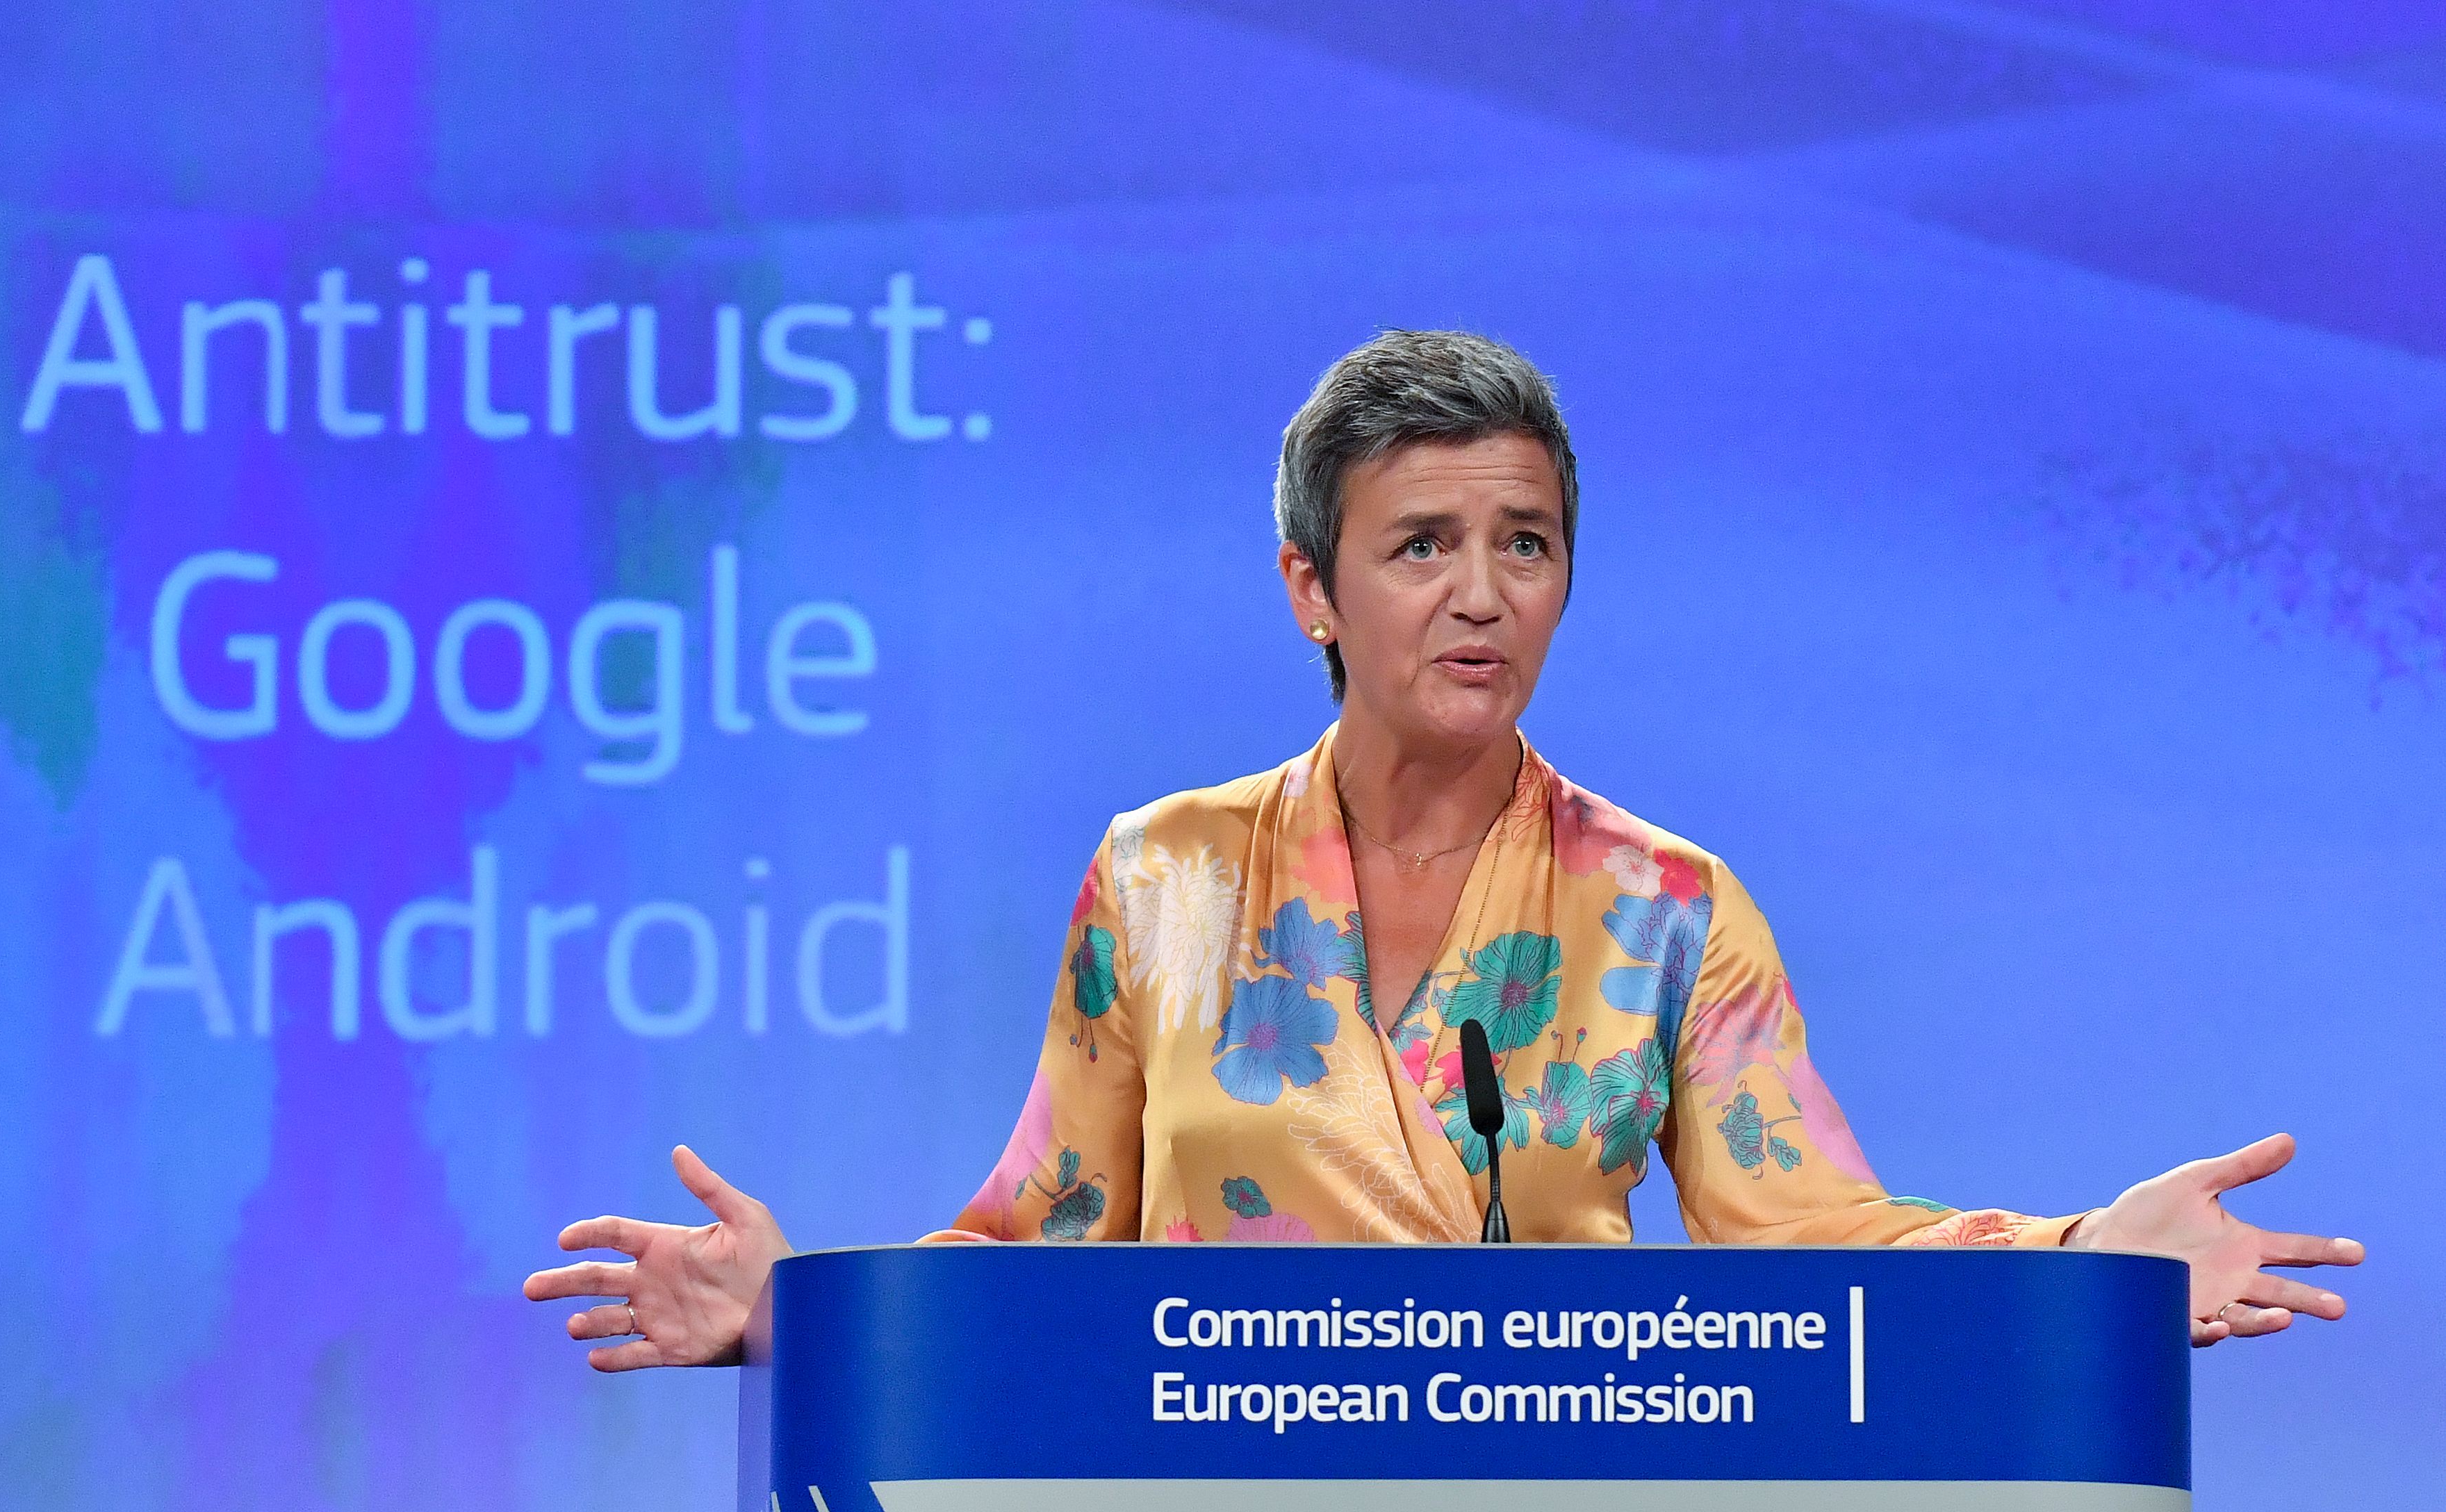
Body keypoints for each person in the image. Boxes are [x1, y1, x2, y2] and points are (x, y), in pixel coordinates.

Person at [526, 330, 2362, 1368]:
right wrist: (801, 1316)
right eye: (1420, 547)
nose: (1482, 596)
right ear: (1309, 591)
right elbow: (1041, 1242)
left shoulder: (1662, 909)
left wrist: (2083, 1257)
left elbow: (1811, 1237)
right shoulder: (1162, 879)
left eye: (1526, 541)